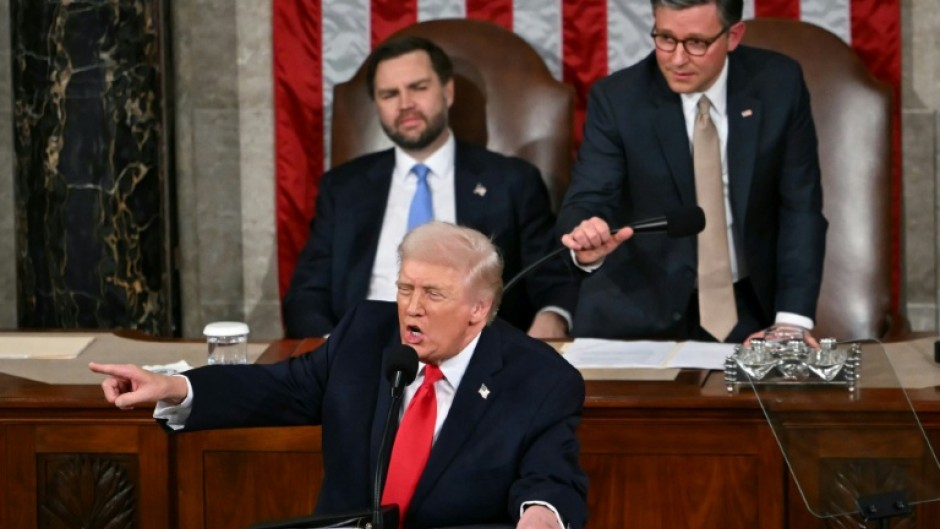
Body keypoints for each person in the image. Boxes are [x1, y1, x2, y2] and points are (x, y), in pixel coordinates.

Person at [90, 222, 589, 529]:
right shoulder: (365, 335)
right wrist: (176, 386)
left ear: (478, 309)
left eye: (432, 295)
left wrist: (540, 517)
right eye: (405, 289)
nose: (411, 309)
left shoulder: (539, 379)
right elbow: (280, 386)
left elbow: (551, 477)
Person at [557, 0, 827, 344]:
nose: (677, 59)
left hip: (749, 311)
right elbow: (588, 198)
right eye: (666, 38)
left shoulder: (778, 84)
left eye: (697, 43)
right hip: (634, 313)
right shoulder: (618, 99)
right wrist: (584, 238)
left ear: (733, 36)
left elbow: (800, 208)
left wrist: (791, 320)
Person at [282, 35, 578, 340]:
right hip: (364, 354)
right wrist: (334, 351)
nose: (405, 104)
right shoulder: (343, 188)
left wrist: (552, 320)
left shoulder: (512, 181)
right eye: (389, 95)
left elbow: (551, 280)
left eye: (418, 88)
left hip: (478, 358)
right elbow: (306, 293)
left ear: (447, 92)